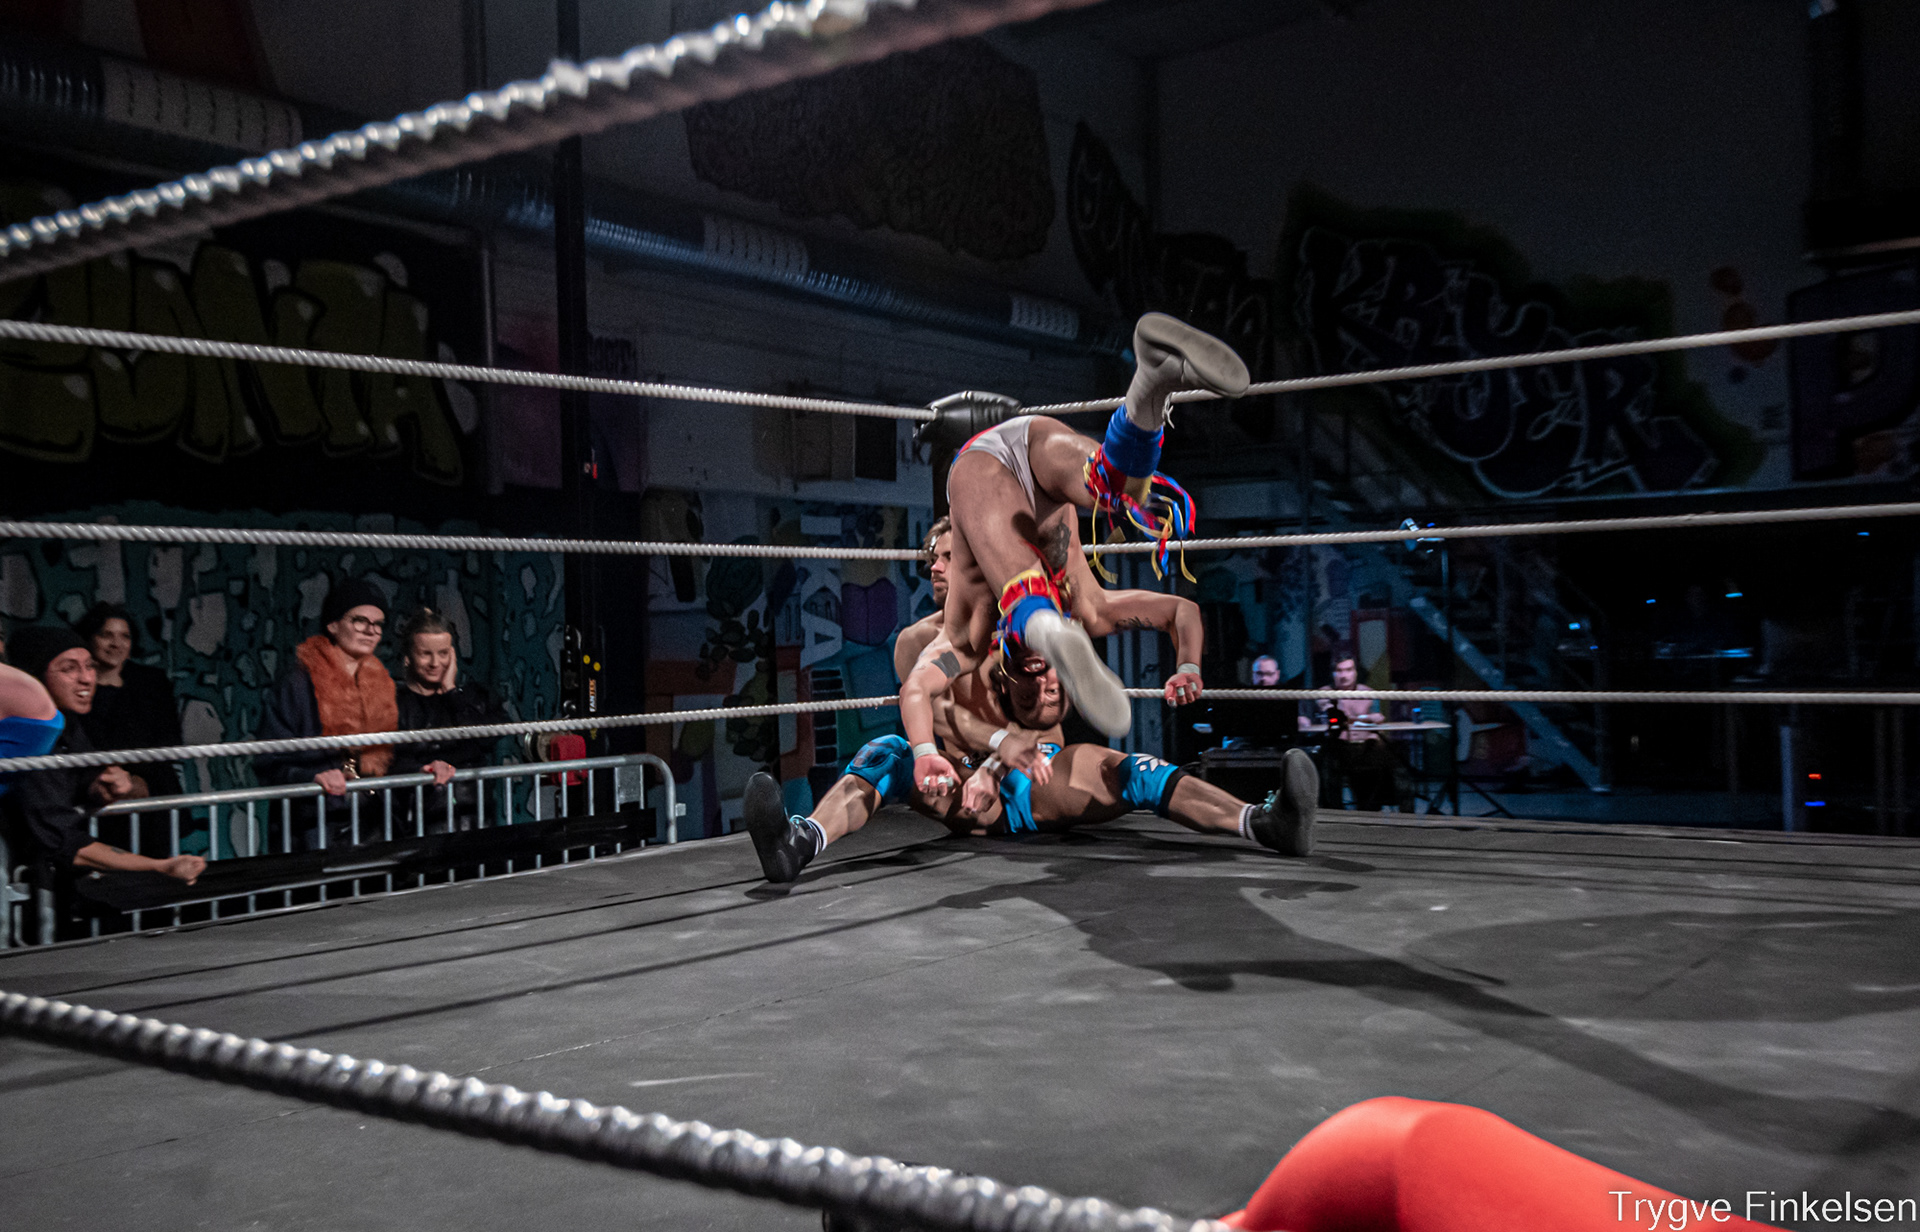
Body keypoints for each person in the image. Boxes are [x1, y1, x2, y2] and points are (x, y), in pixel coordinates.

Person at [929, 313, 1247, 738]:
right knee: (1119, 487)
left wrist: (930, 750)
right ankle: (1153, 382)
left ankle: (1044, 627)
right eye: (1053, 693)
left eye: (1028, 698)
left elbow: (919, 690)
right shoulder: (1092, 609)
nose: (1040, 686)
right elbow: (1180, 611)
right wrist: (1188, 666)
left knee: (1017, 593)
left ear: (1001, 683)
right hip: (1034, 447)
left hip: (978, 469)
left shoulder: (966, 644)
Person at [746, 651, 1072, 883]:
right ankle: (800, 843)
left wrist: (994, 766)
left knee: (1093, 772)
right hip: (964, 785)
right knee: (886, 754)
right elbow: (923, 701)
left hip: (1027, 777)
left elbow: (1042, 722)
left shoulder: (1019, 643)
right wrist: (933, 751)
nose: (938, 574)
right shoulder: (943, 648)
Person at [1, 625, 204, 935]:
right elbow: (62, 842)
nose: (86, 678)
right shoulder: (31, 741)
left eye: (89, 666)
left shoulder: (69, 726)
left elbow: (86, 778)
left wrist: (101, 787)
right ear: (34, 678)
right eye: (69, 669)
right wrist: (159, 866)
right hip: (21, 901)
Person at [255, 578, 453, 846]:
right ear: (333, 625)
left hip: (373, 822)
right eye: (359, 621)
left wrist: (423, 768)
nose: (370, 631)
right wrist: (313, 778)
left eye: (378, 624)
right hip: (314, 827)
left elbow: (391, 758)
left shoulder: (382, 685)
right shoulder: (298, 684)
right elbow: (268, 760)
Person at [395, 607, 503, 830]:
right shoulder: (392, 703)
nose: (435, 663)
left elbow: (487, 740)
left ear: (453, 654)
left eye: (443, 653)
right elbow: (385, 761)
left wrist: (451, 691)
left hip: (475, 821)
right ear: (408, 657)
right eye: (425, 654)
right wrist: (423, 769)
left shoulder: (473, 697)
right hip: (419, 824)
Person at [73, 602, 183, 798]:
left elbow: (169, 738)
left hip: (152, 790)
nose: (116, 643)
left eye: (125, 636)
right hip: (96, 789)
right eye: (106, 635)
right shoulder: (74, 686)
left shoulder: (153, 682)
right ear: (89, 638)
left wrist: (136, 781)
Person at [1299, 647, 1402, 811]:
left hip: (1366, 748)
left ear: (1355, 672)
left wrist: (1365, 719)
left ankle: (1376, 808)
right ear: (1333, 673)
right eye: (1339, 670)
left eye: (1348, 670)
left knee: (1386, 753)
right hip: (1337, 748)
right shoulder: (1325, 693)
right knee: (1327, 757)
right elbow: (1334, 715)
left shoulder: (1368, 693)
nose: (1344, 675)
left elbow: (1377, 718)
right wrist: (1363, 717)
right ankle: (1334, 812)